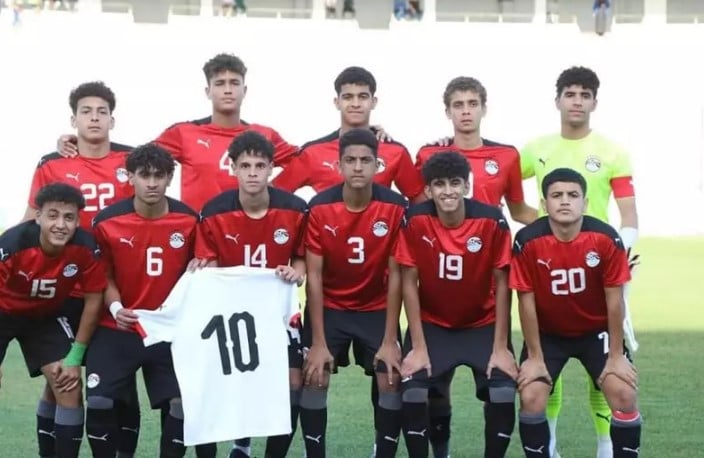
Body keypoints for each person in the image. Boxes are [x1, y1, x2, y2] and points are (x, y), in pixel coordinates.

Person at [521, 66, 639, 458]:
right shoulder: (535, 148)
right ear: (557, 100)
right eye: (570, 94)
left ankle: (606, 448)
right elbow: (499, 186)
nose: (577, 101)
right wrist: (542, 227)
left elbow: (629, 217)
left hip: (600, 266)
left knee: (606, 376)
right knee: (543, 376)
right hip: (549, 264)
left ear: (594, 103)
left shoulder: (613, 151)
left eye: (584, 95)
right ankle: (550, 446)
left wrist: (618, 253)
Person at [417, 76, 537, 457]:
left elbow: (518, 210)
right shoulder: (428, 155)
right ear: (447, 111)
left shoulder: (506, 156)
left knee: (497, 387)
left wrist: (564, 223)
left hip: (486, 281)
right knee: (434, 387)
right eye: (458, 104)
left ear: (484, 108)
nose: (466, 111)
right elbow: (416, 210)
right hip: (441, 282)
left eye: (472, 104)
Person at [24, 81, 141, 458]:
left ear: (112, 120)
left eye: (102, 112)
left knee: (116, 384)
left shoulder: (131, 161)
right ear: (73, 119)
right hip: (61, 292)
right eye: (86, 112)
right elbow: (30, 220)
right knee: (62, 381)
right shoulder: (53, 163)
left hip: (112, 290)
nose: (94, 118)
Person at [190, 130, 308, 458]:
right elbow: (210, 266)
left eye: (260, 165)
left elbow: (301, 257)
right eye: (245, 166)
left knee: (292, 383)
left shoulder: (295, 209)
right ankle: (240, 444)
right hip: (231, 316)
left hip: (277, 312)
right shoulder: (213, 212)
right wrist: (204, 270)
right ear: (233, 168)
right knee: (231, 382)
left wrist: (296, 273)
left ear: (271, 168)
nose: (253, 173)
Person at [510, 167, 641, 458]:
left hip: (596, 333)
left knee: (624, 393)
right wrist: (534, 358)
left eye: (573, 195)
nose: (565, 201)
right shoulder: (527, 240)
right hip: (548, 335)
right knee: (531, 396)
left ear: (585, 202)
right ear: (544, 204)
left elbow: (615, 301)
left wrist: (616, 355)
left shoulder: (605, 238)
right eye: (556, 195)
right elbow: (525, 301)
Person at [394, 151, 517, 458]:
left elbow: (504, 284)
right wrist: (418, 346)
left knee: (502, 394)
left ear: (466, 186)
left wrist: (501, 347)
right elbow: (409, 281)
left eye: (454, 183)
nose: (447, 191)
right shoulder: (415, 219)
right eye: (439, 184)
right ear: (428, 189)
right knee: (414, 394)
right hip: (433, 324)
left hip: (482, 323)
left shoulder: (491, 220)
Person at [86, 144, 199, 458]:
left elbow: (203, 270)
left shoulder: (189, 220)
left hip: (168, 331)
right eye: (144, 175)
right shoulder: (106, 222)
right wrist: (116, 308)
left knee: (180, 405)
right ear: (130, 177)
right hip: (118, 327)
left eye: (159, 176)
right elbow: (103, 276)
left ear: (169, 178)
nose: (152, 183)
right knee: (99, 402)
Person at [301, 128, 406, 458]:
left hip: (376, 307)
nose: (358, 167)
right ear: (339, 165)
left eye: (365, 160)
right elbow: (314, 276)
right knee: (314, 376)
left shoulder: (395, 207)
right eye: (350, 160)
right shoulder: (319, 207)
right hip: (331, 307)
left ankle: (382, 452)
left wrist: (390, 340)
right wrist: (318, 343)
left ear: (377, 165)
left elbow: (397, 275)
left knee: (390, 377)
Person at [0, 182, 107, 458]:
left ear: (78, 221)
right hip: (3, 313)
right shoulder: (11, 244)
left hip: (43, 316)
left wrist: (75, 355)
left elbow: (94, 299)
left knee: (68, 384)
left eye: (69, 217)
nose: (61, 224)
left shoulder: (86, 247)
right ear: (38, 217)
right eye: (53, 215)